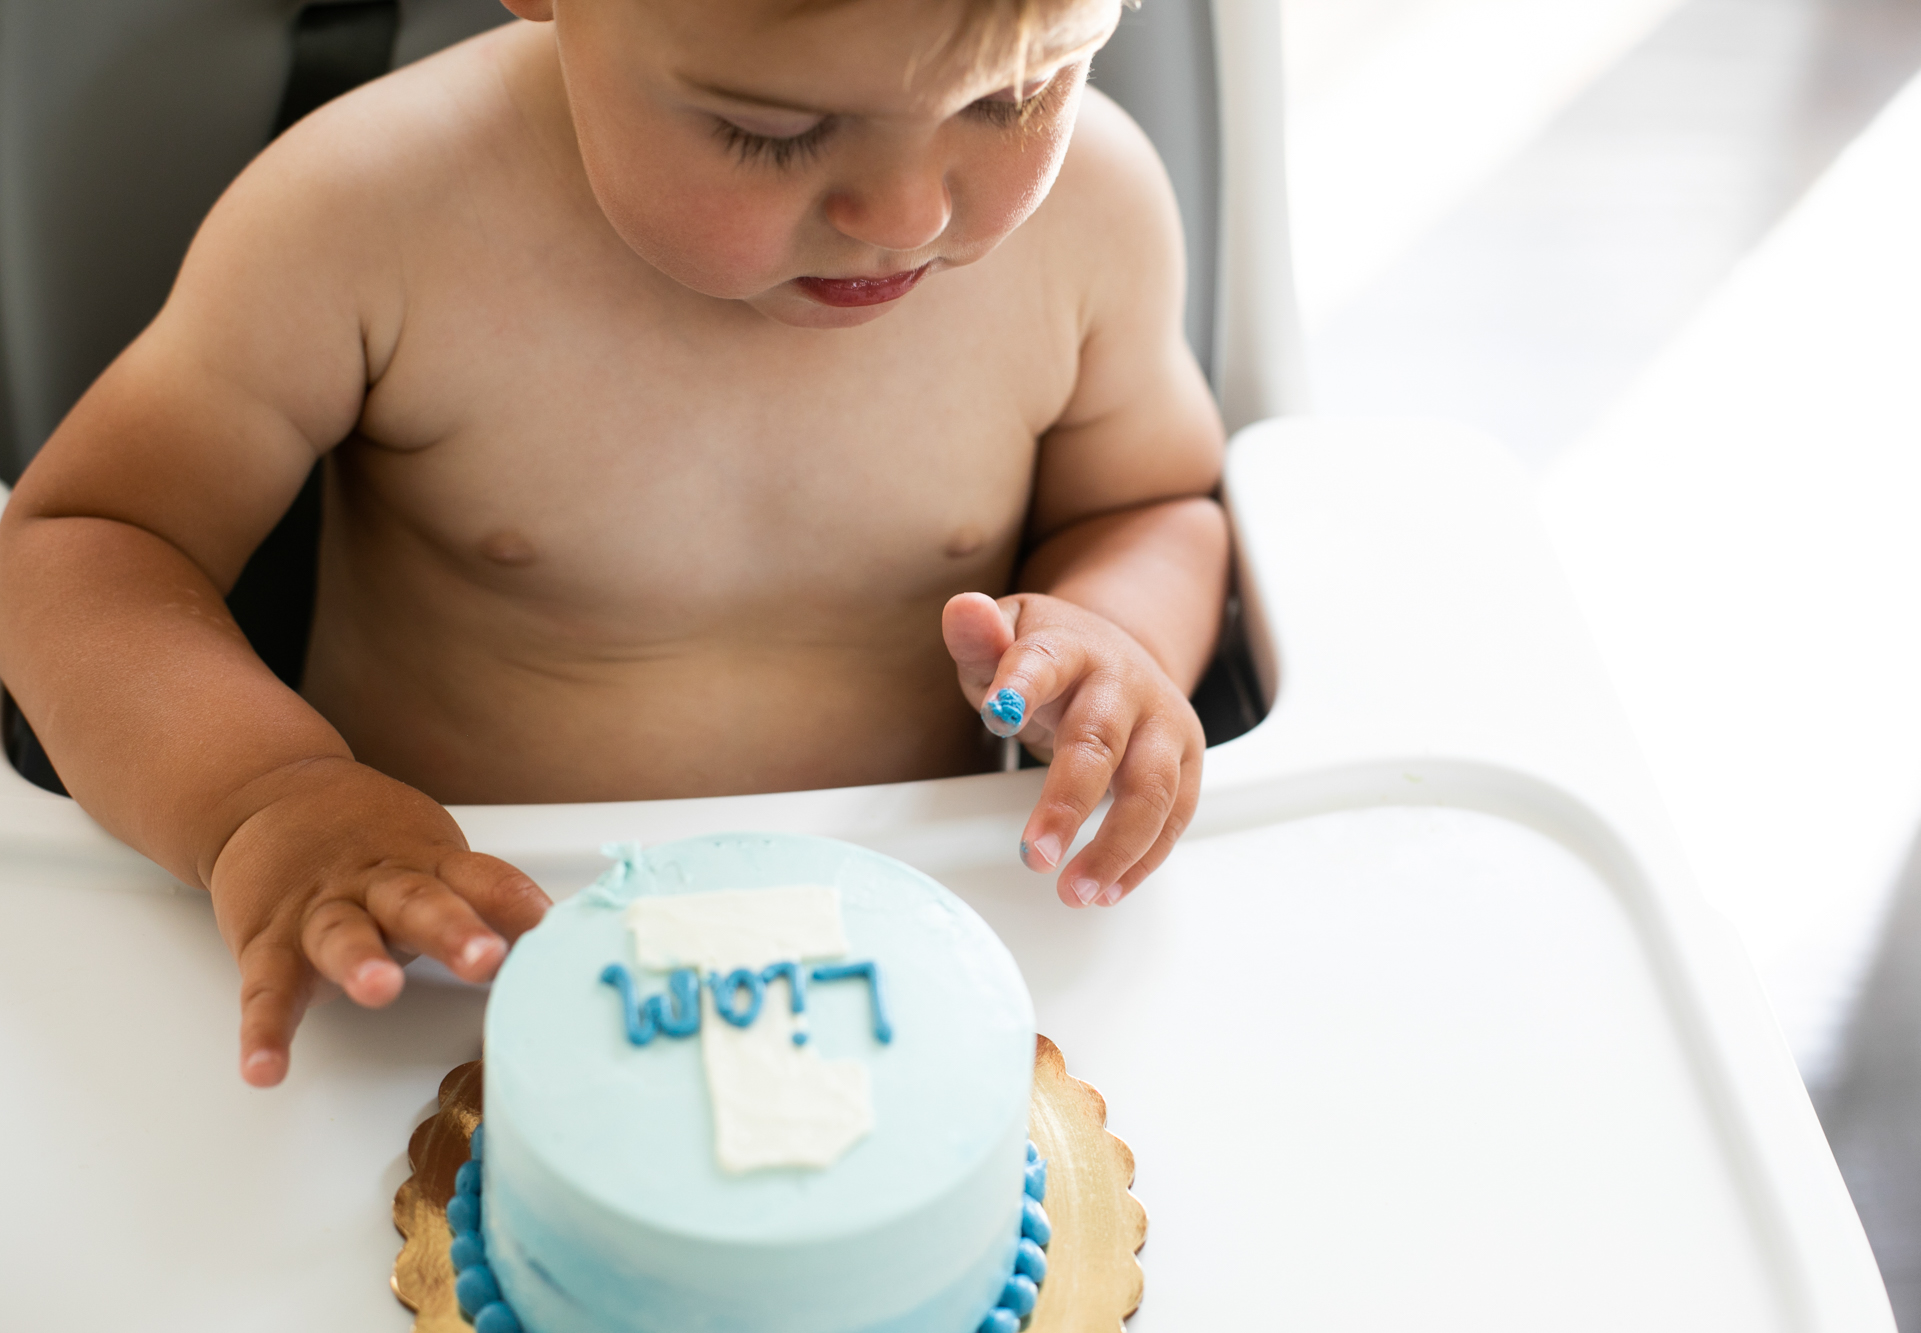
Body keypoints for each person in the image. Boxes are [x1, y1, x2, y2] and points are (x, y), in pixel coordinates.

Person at [0, 0, 1227, 1087]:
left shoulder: (1093, 217)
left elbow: (1152, 502)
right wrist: (264, 800)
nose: (909, 214)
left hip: (909, 949)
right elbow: (82, 543)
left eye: (1014, 95)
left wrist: (1112, 638)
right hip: (441, 966)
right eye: (772, 129)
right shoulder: (368, 214)